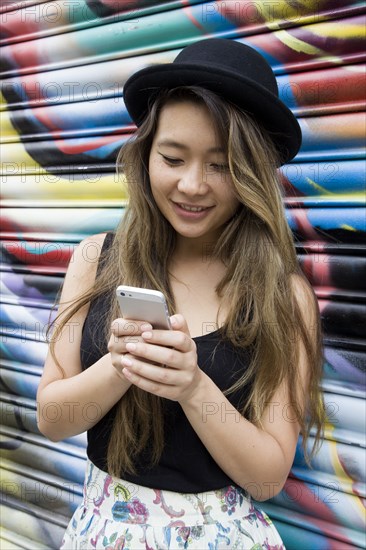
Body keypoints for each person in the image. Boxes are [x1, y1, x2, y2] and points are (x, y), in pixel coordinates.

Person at [37, 38, 325, 549]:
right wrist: (121, 363)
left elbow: (267, 478)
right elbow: (53, 419)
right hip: (105, 532)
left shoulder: (285, 296)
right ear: (147, 155)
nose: (192, 185)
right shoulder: (94, 259)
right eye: (173, 157)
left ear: (253, 173)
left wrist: (194, 387)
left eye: (220, 165)